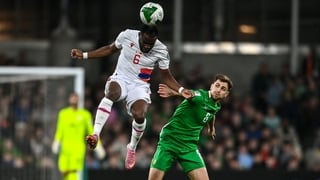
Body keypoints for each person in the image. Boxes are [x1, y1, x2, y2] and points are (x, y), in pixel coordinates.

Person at [70, 24, 192, 169]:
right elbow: (110, 49)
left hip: (140, 85)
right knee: (112, 93)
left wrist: (181, 89)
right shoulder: (127, 35)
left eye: (150, 44)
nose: (147, 46)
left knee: (140, 115)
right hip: (121, 77)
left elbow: (166, 75)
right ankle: (96, 134)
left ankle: (132, 147)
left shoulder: (161, 50)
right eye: (145, 42)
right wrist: (84, 55)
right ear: (140, 35)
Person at [148, 74, 233, 180]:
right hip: (170, 141)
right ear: (211, 86)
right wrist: (173, 92)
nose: (218, 90)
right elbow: (189, 94)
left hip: (188, 147)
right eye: (217, 85)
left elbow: (212, 114)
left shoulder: (216, 106)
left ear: (226, 94)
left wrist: (211, 128)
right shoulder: (200, 96)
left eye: (223, 88)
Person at [52, 93, 105, 180]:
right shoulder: (63, 114)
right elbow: (59, 130)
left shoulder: (85, 115)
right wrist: (56, 141)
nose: (74, 99)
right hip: (64, 149)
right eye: (72, 97)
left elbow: (91, 131)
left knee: (74, 173)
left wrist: (98, 146)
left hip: (77, 149)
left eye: (76, 97)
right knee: (63, 172)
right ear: (69, 99)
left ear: (79, 100)